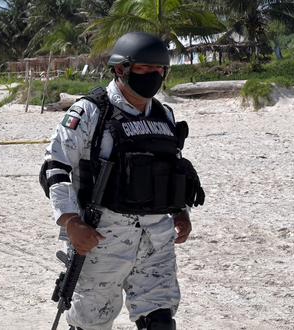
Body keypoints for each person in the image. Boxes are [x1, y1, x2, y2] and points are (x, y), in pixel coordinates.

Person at [43, 32, 205, 330]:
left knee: (160, 320)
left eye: (160, 70)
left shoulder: (164, 114)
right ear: (121, 69)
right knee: (91, 323)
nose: (154, 75)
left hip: (156, 239)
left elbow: (172, 167)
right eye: (145, 68)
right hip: (101, 239)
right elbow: (55, 167)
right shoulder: (91, 111)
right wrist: (70, 222)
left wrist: (181, 211)